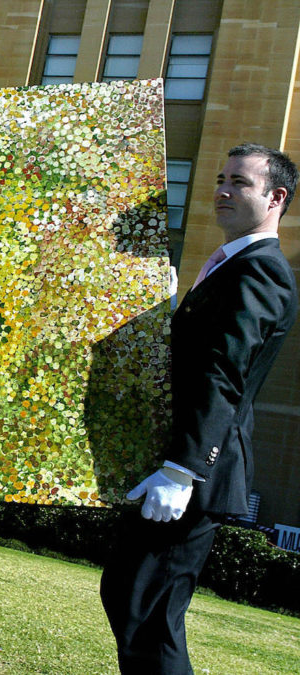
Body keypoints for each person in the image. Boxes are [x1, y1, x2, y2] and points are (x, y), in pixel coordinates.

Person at [100, 143, 299, 673]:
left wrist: (182, 470)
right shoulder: (230, 265)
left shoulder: (262, 272)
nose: (223, 190)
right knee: (129, 597)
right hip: (180, 466)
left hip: (195, 475)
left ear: (276, 197)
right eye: (221, 178)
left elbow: (223, 376)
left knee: (150, 616)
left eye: (240, 182)